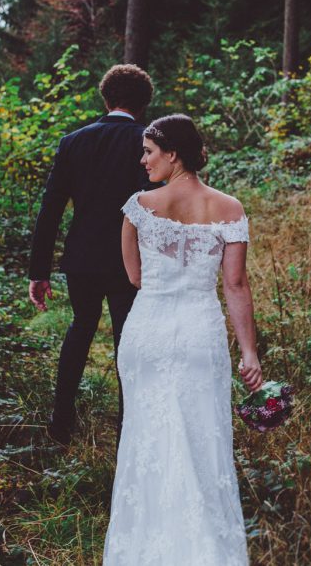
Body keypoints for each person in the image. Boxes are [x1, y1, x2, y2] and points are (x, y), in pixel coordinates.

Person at [103, 114, 263, 565]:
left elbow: (136, 277)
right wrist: (249, 353)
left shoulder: (138, 207)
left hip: (149, 332)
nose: (143, 160)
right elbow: (235, 284)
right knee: (202, 440)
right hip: (199, 333)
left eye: (149, 151)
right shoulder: (229, 208)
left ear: (172, 154)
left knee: (147, 437)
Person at [27, 64, 155, 446]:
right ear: (143, 103)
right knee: (127, 339)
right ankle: (128, 428)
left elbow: (50, 208)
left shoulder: (73, 141)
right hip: (129, 261)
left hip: (81, 257)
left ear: (106, 98)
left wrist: (38, 270)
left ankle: (60, 422)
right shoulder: (148, 143)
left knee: (81, 326)